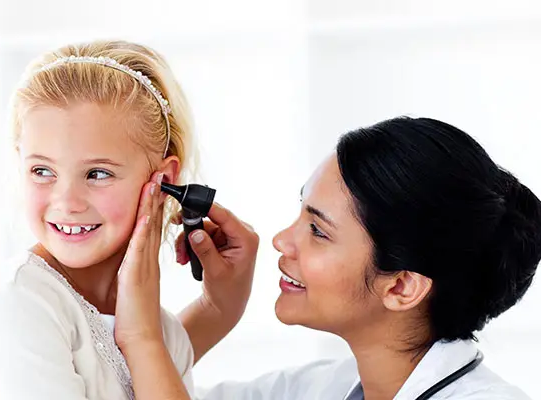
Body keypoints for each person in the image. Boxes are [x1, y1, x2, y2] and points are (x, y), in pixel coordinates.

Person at [115, 116, 541, 399]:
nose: (281, 240)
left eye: (318, 231)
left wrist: (143, 334)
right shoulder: (320, 388)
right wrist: (216, 308)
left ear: (401, 286)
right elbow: (135, 390)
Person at [0, 40, 199, 399]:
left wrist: (144, 339)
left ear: (162, 182)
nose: (67, 202)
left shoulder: (163, 334)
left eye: (97, 174)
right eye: (42, 170)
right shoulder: (18, 305)